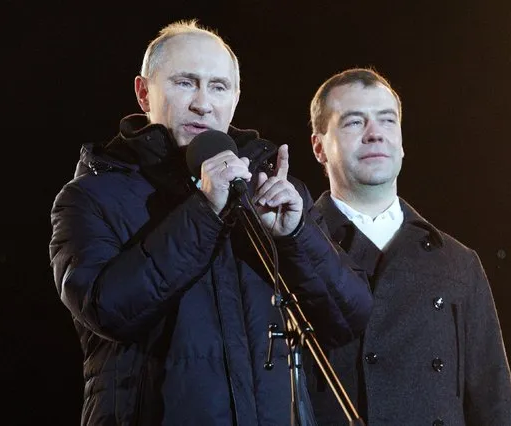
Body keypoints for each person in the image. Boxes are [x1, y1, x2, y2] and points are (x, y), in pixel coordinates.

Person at [49, 21, 373, 426]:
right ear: (144, 93)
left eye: (219, 87)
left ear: (235, 99)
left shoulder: (269, 186)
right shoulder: (90, 196)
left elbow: (349, 317)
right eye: (186, 83)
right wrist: (204, 209)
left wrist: (295, 236)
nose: (204, 103)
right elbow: (109, 310)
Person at [305, 68, 511, 425]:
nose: (375, 134)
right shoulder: (290, 251)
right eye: (354, 123)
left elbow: (494, 403)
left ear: (402, 142)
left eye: (387, 121)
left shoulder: (458, 262)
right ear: (318, 147)